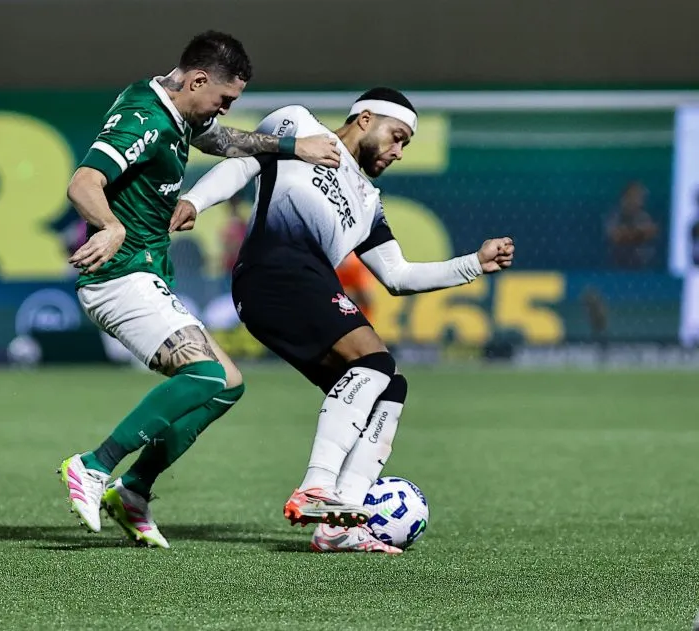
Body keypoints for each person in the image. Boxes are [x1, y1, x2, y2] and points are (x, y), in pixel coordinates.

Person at [175, 87, 514, 553]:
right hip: (272, 275)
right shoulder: (299, 124)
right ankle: (317, 487)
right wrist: (194, 200)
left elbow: (397, 275)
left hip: (305, 287)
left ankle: (339, 521)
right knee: (374, 364)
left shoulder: (369, 203)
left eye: (406, 145)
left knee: (389, 386)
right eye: (396, 137)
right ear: (365, 118)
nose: (397, 151)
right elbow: (243, 161)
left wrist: (473, 263)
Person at [58, 30, 341, 549]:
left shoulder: (175, 111)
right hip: (120, 275)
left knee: (227, 384)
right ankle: (94, 466)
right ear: (197, 79)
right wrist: (112, 226)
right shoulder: (143, 119)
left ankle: (135, 491)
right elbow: (83, 183)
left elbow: (221, 140)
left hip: (144, 274)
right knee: (208, 372)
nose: (225, 109)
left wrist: (293, 148)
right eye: (224, 98)